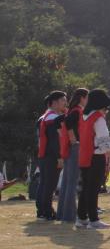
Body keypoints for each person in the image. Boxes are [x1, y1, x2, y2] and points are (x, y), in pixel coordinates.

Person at [76, 89, 110, 230]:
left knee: (86, 188)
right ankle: (93, 219)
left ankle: (81, 218)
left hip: (84, 156)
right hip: (96, 157)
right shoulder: (98, 118)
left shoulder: (84, 116)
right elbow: (104, 141)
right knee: (93, 189)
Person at [56, 88, 88, 223]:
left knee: (67, 182)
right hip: (75, 148)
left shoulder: (72, 110)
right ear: (82, 98)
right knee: (72, 182)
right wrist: (74, 140)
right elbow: (67, 123)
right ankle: (69, 215)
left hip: (70, 148)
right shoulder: (76, 111)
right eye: (87, 97)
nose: (88, 100)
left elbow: (61, 121)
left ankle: (62, 213)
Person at [35, 91, 67, 221]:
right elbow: (55, 140)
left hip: (43, 154)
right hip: (51, 156)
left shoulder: (43, 117)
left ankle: (41, 210)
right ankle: (47, 211)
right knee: (50, 184)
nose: (65, 103)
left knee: (43, 183)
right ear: (54, 102)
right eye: (63, 100)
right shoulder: (53, 118)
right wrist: (60, 157)